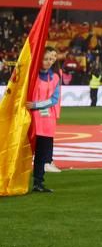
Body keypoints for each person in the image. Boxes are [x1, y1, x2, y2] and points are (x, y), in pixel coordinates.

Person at [26, 48, 61, 193]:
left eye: (50, 60)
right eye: (45, 59)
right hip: (31, 120)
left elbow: (54, 100)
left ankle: (38, 183)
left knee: (41, 154)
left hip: (46, 121)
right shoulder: (32, 76)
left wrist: (35, 105)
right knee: (25, 151)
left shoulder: (55, 78)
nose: (48, 62)